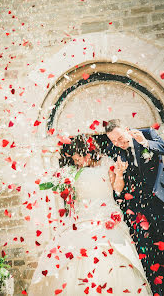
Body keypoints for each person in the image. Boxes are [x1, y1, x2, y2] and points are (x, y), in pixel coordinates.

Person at [28, 135, 152, 295]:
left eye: (79, 159)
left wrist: (120, 173)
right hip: (81, 219)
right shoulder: (72, 173)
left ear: (88, 153)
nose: (77, 163)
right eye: (75, 160)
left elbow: (118, 189)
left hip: (106, 215)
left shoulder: (107, 163)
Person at [105, 119, 164, 296]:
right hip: (138, 209)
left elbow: (162, 147)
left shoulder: (146, 134)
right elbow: (118, 189)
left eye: (120, 138)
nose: (118, 143)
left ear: (127, 130)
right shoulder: (114, 150)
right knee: (149, 252)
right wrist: (120, 172)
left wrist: (144, 143)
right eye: (114, 141)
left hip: (159, 202)